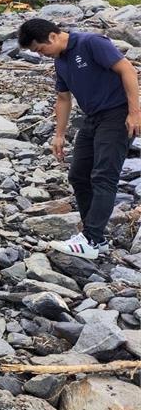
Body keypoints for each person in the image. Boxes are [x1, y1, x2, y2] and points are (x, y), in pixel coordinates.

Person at [18, 18, 141, 259]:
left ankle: (90, 239)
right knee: (78, 175)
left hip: (117, 114)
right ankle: (96, 239)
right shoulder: (60, 60)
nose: (41, 55)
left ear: (52, 36)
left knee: (104, 175)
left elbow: (127, 69)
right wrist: (59, 134)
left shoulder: (91, 43)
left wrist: (135, 112)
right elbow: (63, 98)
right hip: (92, 117)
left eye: (40, 49)